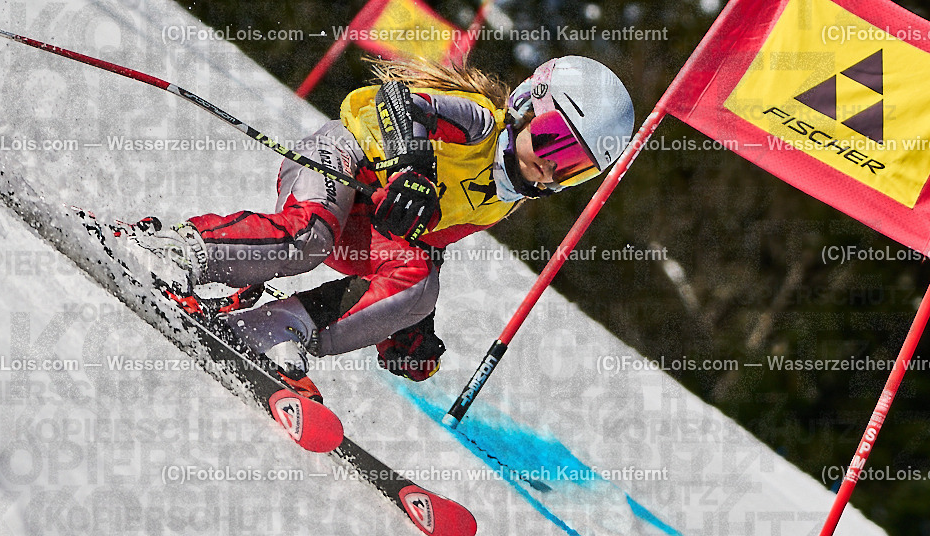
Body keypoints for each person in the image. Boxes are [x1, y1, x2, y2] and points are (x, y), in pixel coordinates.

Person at [130, 55, 634, 400]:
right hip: (339, 162)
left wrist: (407, 324)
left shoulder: (499, 203)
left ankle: (270, 332)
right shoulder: (482, 124)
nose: (551, 169)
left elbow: (424, 245)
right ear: (528, 104)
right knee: (309, 237)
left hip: (369, 221)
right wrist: (410, 165)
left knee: (420, 284)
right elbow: (399, 99)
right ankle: (176, 252)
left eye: (575, 169)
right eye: (553, 143)